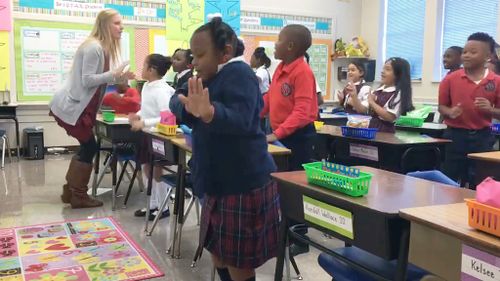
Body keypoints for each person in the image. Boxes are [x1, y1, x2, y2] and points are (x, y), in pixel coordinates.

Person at [171, 17, 279, 281]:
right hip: (217, 182)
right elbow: (177, 98)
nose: (193, 62)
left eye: (199, 55)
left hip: (241, 184)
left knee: (237, 261)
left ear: (225, 52)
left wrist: (209, 113)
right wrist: (188, 108)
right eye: (192, 56)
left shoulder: (240, 74)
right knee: (218, 251)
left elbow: (243, 119)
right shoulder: (205, 76)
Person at [49, 9, 134, 209]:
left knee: (88, 146)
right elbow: (87, 81)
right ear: (104, 25)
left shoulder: (100, 48)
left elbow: (96, 83)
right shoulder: (94, 48)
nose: (121, 27)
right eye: (116, 23)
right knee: (90, 146)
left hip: (80, 107)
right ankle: (77, 194)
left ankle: (72, 190)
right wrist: (113, 75)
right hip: (73, 106)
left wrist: (117, 78)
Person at [439, 32, 500, 187]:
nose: (466, 56)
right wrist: (450, 112)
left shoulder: (496, 81)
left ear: (488, 56)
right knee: (449, 179)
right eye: (465, 52)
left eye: (473, 52)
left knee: (480, 181)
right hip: (455, 136)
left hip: (483, 137)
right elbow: (442, 107)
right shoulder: (450, 79)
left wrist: (490, 110)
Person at [262, 25, 318, 171]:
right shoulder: (280, 68)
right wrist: (249, 115)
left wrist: (275, 135)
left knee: (292, 184)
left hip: (298, 137)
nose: (275, 44)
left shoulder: (302, 72)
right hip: (281, 134)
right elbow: (269, 98)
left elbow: (301, 112)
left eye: (279, 40)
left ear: (290, 46)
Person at [129, 54, 175, 220]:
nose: (141, 69)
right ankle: (154, 204)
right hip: (147, 134)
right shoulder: (148, 86)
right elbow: (148, 108)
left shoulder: (162, 90)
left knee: (156, 171)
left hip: (158, 136)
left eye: (144, 66)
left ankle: (163, 207)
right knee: (146, 168)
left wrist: (144, 122)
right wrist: (138, 116)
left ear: (152, 69)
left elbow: (167, 116)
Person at [345, 57, 414, 133]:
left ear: (398, 74)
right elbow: (362, 110)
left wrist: (372, 103)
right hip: (372, 129)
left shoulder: (398, 93)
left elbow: (390, 117)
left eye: (387, 69)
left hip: (385, 132)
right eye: (383, 69)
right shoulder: (379, 90)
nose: (382, 72)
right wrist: (354, 96)